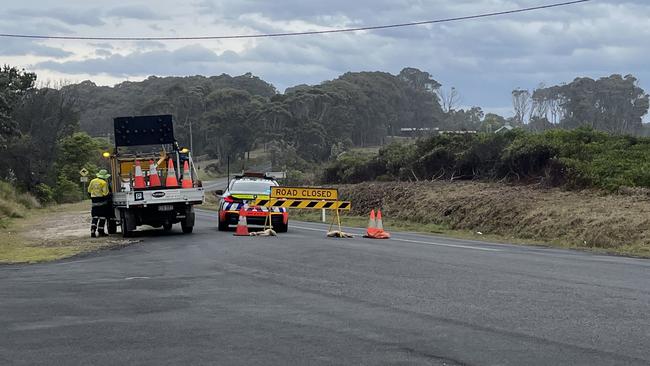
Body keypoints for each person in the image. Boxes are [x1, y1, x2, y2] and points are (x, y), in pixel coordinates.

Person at [88, 169, 112, 237]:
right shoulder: (104, 183)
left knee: (95, 216)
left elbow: (89, 190)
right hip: (102, 201)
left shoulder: (92, 181)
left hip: (94, 201)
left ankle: (93, 230)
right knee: (102, 217)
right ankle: (101, 232)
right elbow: (105, 193)